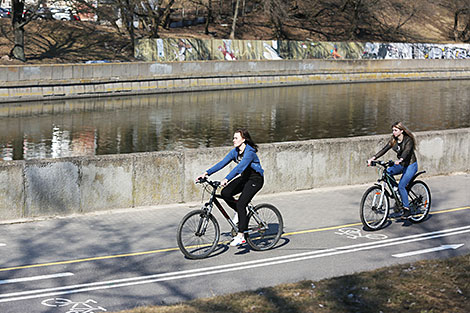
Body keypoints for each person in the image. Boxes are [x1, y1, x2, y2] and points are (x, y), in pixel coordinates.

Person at [196, 128, 264, 246]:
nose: (233, 140)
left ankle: (241, 236)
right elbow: (222, 163)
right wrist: (206, 173)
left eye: (236, 138)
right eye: (233, 138)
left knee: (242, 203)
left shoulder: (250, 152)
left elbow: (240, 168)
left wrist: (226, 179)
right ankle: (239, 212)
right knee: (225, 193)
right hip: (244, 178)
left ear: (244, 139)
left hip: (255, 180)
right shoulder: (235, 152)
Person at [367, 121, 418, 218]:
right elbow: (384, 149)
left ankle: (407, 209)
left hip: (410, 165)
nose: (393, 132)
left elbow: (406, 152)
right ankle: (396, 189)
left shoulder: (408, 140)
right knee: (387, 171)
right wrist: (373, 158)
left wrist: (400, 159)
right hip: (401, 164)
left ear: (401, 131)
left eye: (395, 130)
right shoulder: (393, 140)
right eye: (393, 130)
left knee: (402, 186)